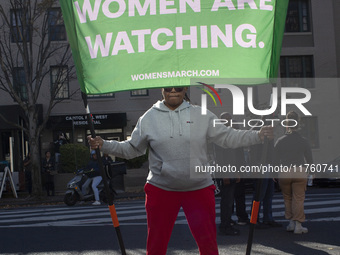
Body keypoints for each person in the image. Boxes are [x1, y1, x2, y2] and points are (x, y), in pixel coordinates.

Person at [88, 87, 273, 255]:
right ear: (162, 90)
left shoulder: (202, 114)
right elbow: (131, 149)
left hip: (198, 187)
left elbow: (227, 137)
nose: (173, 91)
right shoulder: (149, 118)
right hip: (161, 188)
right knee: (156, 246)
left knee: (208, 244)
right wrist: (105, 145)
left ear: (185, 89)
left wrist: (257, 135)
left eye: (178, 87)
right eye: (168, 87)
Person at [274, 111, 313, 234]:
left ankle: (290, 222)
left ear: (286, 125)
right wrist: (312, 172)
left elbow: (275, 159)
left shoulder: (280, 140)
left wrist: (275, 173)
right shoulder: (303, 140)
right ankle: (298, 225)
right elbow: (309, 158)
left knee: (287, 198)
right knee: (299, 198)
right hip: (299, 170)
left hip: (284, 171)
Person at [249, 116, 282, 228]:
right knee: (260, 194)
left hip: (268, 166)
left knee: (268, 193)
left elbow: (272, 152)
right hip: (260, 166)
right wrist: (254, 167)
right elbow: (252, 151)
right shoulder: (258, 131)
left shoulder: (268, 133)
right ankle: (255, 219)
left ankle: (267, 218)